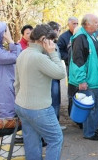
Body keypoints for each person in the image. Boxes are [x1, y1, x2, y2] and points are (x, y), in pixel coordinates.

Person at [14, 24, 66, 160]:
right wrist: (53, 52)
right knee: (56, 138)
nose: (53, 44)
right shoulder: (39, 57)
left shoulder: (23, 53)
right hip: (39, 109)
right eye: (52, 41)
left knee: (31, 142)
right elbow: (60, 73)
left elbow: (17, 83)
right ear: (43, 39)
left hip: (22, 106)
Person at [69, 14, 98, 141]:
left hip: (95, 79)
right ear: (87, 24)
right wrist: (82, 80)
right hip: (88, 80)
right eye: (95, 22)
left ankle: (92, 127)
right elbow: (78, 61)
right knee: (92, 106)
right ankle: (89, 132)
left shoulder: (90, 35)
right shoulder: (80, 37)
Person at [0, 20, 21, 160]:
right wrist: (11, 41)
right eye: (4, 31)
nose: (5, 34)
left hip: (0, 93)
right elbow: (18, 57)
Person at [57, 17, 79, 117]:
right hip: (69, 66)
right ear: (69, 24)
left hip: (80, 67)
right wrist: (68, 58)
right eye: (74, 23)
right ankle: (71, 113)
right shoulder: (63, 37)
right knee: (72, 89)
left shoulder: (80, 35)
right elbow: (59, 51)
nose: (76, 25)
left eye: (77, 23)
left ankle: (79, 113)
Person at [47, 21, 67, 130]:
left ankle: (55, 124)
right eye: (58, 30)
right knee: (54, 102)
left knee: (55, 101)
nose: (59, 33)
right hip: (53, 77)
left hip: (55, 76)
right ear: (54, 31)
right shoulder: (50, 45)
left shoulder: (52, 43)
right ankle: (54, 126)